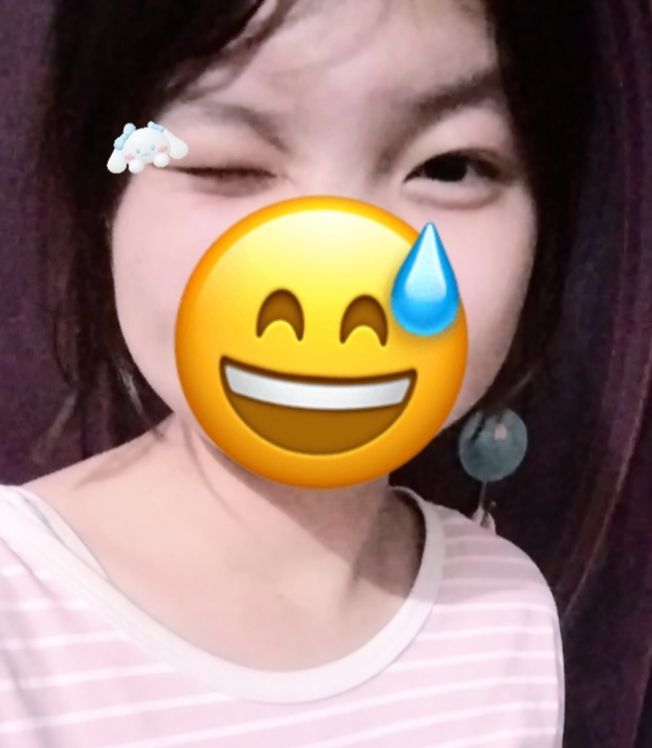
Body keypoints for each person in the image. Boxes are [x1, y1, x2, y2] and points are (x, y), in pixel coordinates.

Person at [2, 0, 636, 745]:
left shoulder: (507, 606)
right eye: (226, 164)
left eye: (450, 167)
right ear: (107, 200)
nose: (334, 284)